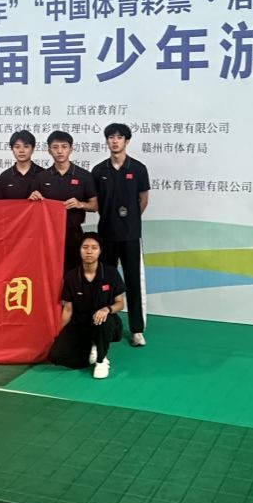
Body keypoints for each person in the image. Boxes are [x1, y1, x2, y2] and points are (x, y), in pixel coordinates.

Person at [92, 123, 151, 347]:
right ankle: (107, 326)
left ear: (127, 141)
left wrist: (130, 221)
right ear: (106, 141)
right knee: (105, 284)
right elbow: (97, 203)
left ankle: (137, 330)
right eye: (111, 137)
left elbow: (143, 200)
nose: (115, 141)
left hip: (130, 236)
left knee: (133, 282)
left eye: (119, 137)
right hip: (106, 235)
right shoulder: (99, 171)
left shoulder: (138, 169)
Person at [49, 232, 124, 379]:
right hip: (81, 323)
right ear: (79, 250)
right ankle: (91, 349)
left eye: (94, 248)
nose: (89, 251)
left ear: (100, 251)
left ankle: (101, 360)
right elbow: (68, 309)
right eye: (85, 247)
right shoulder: (71, 276)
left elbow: (120, 303)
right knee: (56, 356)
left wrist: (107, 309)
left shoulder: (111, 273)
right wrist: (58, 334)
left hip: (105, 321)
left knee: (102, 321)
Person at [32, 131, 97, 274]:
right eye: (55, 147)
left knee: (73, 274)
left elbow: (95, 206)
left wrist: (80, 204)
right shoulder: (41, 177)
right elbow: (32, 209)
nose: (60, 151)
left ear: (71, 149)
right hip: (47, 234)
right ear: (49, 150)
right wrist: (33, 199)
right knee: (48, 272)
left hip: (73, 233)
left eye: (64, 146)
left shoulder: (84, 176)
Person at [0, 130, 44, 200]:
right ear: (12, 149)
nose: (21, 150)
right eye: (17, 147)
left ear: (33, 149)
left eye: (26, 146)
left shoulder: (42, 174)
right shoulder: (4, 177)